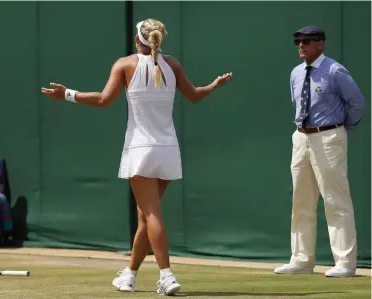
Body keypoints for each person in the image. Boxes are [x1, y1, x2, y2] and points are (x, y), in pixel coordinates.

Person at [41, 18, 232, 295]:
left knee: (152, 213)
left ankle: (167, 275)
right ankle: (129, 276)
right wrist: (214, 85)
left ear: (136, 40)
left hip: (141, 149)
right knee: (145, 217)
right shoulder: (173, 65)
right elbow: (195, 95)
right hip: (167, 150)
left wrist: (67, 94)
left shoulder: (125, 64)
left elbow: (103, 100)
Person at [274, 25, 365, 278]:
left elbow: (357, 102)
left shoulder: (335, 70)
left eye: (307, 41)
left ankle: (345, 263)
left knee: (336, 200)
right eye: (298, 42)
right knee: (301, 201)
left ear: (320, 45)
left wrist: (342, 129)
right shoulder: (295, 73)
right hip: (301, 137)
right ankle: (302, 260)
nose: (301, 46)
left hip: (328, 136)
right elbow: (297, 104)